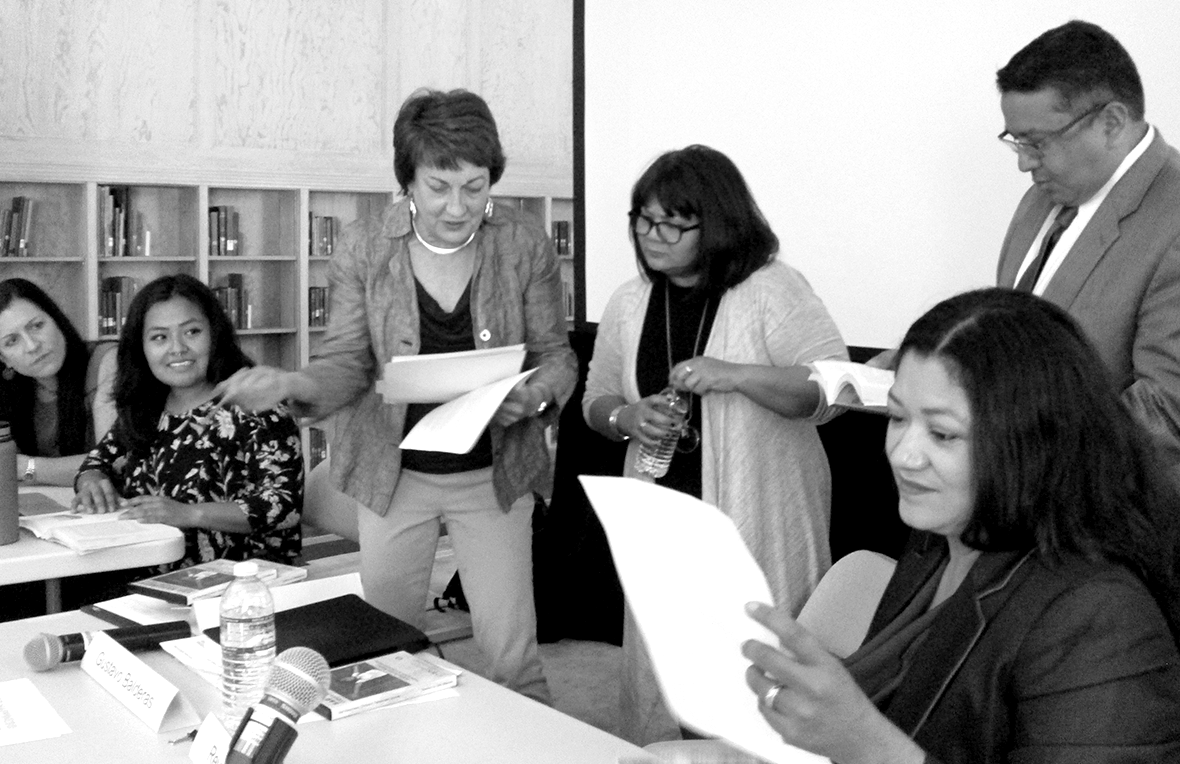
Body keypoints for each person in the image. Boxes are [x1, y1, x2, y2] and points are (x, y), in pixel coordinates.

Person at [216, 88, 576, 704]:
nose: (458, 207)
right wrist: (290, 383)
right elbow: (347, 362)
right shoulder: (365, 246)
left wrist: (537, 396)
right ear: (407, 180)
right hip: (394, 474)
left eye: (475, 187)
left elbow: (556, 356)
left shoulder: (522, 242)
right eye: (439, 187)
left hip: (493, 475)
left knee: (514, 657)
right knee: (383, 649)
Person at [730, 289, 1180, 764]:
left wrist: (865, 744)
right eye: (897, 417)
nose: (903, 455)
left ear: (1031, 440)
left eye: (942, 434)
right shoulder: (940, 542)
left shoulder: (1097, 616)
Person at [583, 144, 848, 743]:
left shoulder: (772, 289)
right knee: (673, 675)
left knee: (757, 679)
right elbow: (595, 399)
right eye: (643, 220)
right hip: (662, 521)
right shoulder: (630, 300)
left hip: (756, 521)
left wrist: (736, 375)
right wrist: (627, 417)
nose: (653, 237)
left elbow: (830, 390)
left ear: (718, 225)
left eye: (673, 225)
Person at [994, 20, 1180, 489]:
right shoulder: (1043, 196)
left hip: (1110, 511)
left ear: (1111, 123)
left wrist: (1019, 445)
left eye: (1037, 142)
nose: (1024, 162)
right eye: (1016, 141)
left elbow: (1167, 410)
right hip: (1016, 500)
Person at [74, 274, 303, 568]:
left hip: (240, 577)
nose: (177, 348)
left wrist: (188, 514)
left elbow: (283, 506)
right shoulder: (146, 407)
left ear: (215, 334)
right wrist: (91, 480)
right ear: (141, 348)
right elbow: (97, 462)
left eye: (192, 332)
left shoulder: (257, 403)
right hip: (143, 570)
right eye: (159, 337)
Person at [0, 278, 116, 486]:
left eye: (37, 326)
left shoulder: (105, 362)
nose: (32, 345)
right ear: (2, 358)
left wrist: (25, 468)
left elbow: (114, 462)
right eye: (12, 341)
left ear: (56, 320)